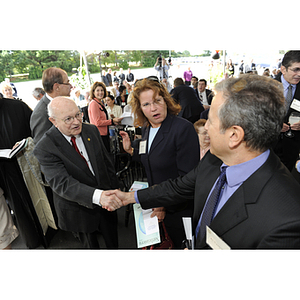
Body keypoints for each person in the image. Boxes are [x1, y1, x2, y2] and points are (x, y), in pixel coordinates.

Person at [109, 74, 300, 249]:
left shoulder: (287, 222)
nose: (205, 127)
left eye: (210, 120)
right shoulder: (215, 160)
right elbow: (178, 186)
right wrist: (129, 197)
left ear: (234, 135)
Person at [119, 76, 200, 248]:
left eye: (157, 101)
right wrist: (131, 151)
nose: (154, 108)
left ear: (166, 100)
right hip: (156, 204)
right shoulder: (147, 128)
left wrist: (162, 205)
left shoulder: (182, 129)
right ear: (140, 108)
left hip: (177, 210)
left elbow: (187, 181)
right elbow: (152, 156)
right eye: (146, 104)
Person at [33, 97, 122, 249]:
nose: (76, 122)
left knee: (113, 242)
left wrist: (115, 189)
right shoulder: (45, 147)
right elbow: (63, 184)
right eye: (68, 119)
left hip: (107, 203)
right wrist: (98, 196)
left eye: (78, 115)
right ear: (53, 121)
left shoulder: (91, 130)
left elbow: (106, 163)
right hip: (78, 210)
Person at [0, 95, 47, 249]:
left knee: (36, 198)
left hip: (26, 162)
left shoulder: (17, 106)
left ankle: (45, 234)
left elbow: (34, 131)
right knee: (18, 207)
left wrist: (26, 142)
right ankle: (32, 239)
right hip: (4, 172)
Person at [30, 67, 72, 144]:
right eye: (67, 83)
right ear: (56, 87)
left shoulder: (65, 103)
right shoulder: (41, 113)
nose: (71, 86)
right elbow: (42, 147)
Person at [273, 50, 300, 172]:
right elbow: (255, 116)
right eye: (296, 69)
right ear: (283, 69)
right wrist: (274, 126)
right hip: (269, 147)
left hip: (293, 150)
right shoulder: (267, 86)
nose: (299, 74)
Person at [88, 81, 122, 152]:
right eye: (98, 90)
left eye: (102, 90)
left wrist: (113, 122)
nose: (100, 92)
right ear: (93, 92)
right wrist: (112, 121)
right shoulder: (94, 104)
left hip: (104, 134)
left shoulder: (100, 103)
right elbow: (98, 122)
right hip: (99, 136)